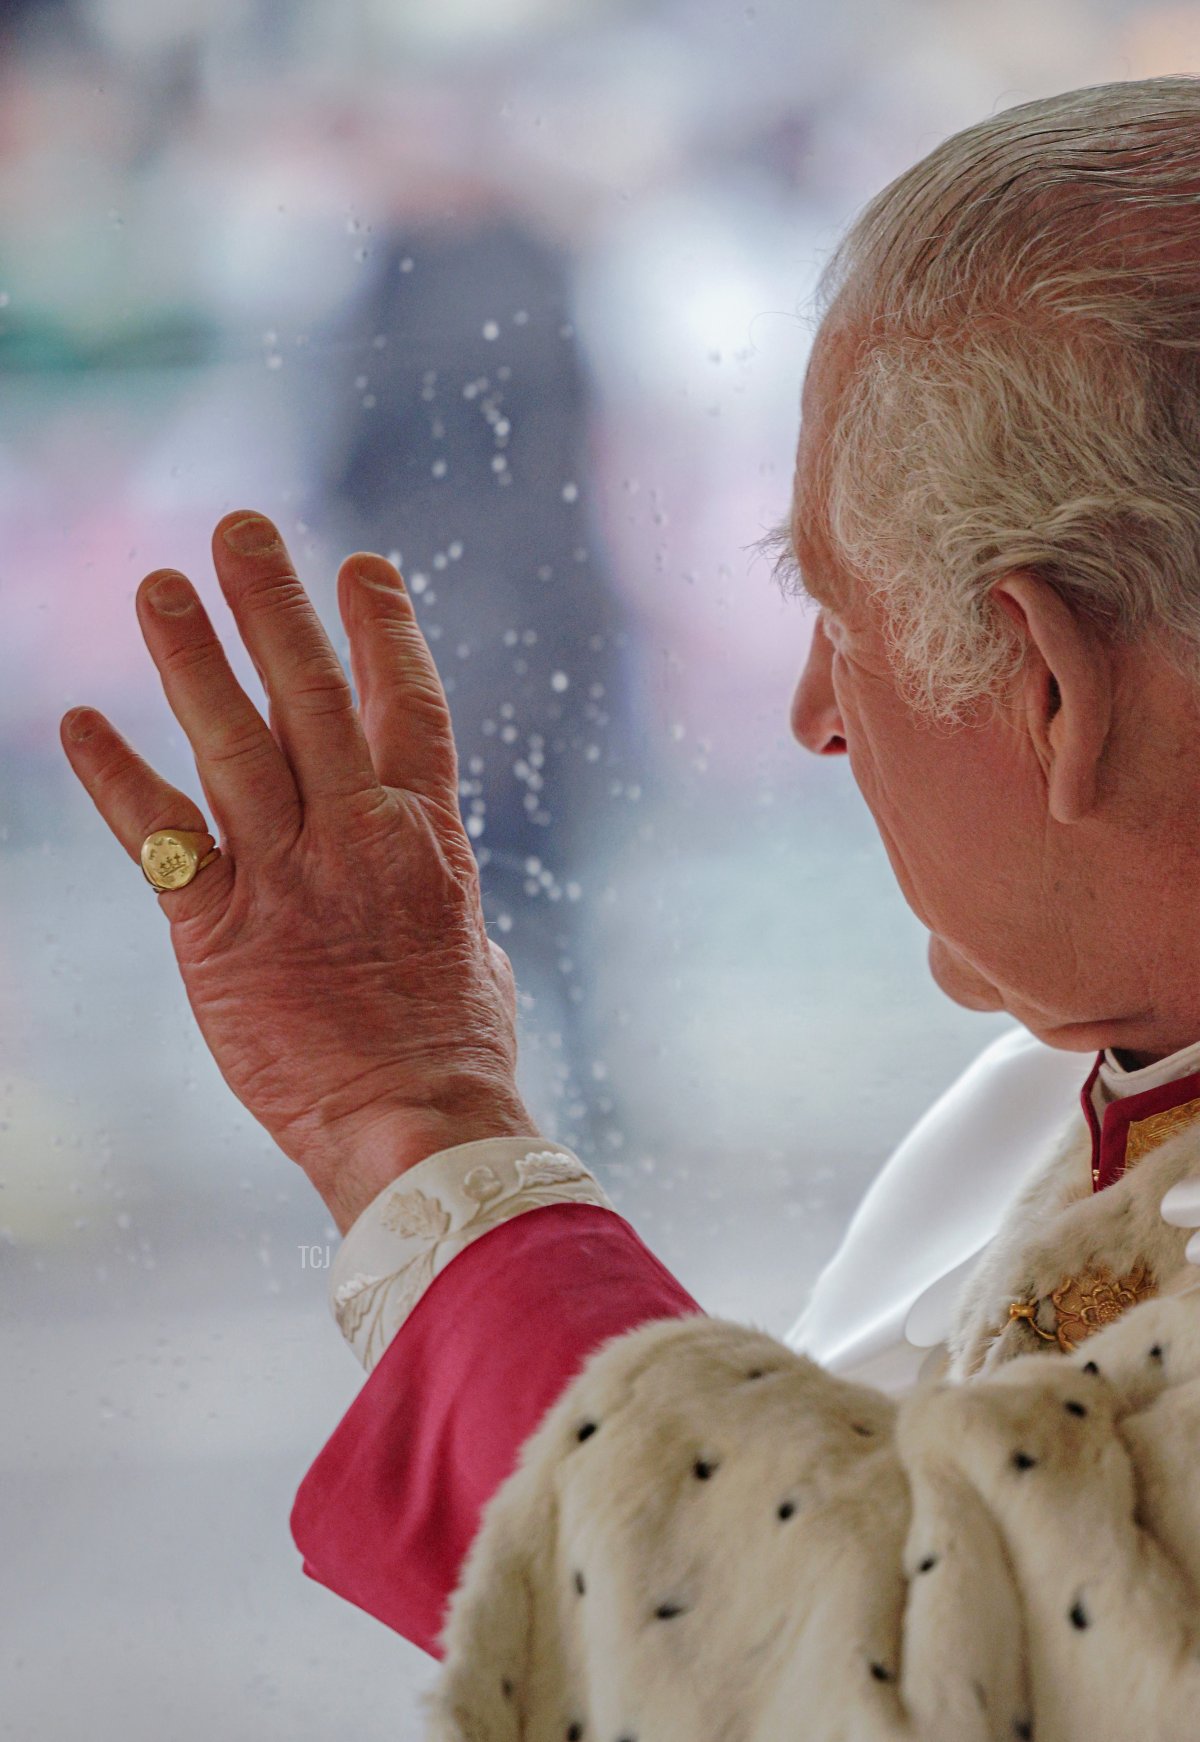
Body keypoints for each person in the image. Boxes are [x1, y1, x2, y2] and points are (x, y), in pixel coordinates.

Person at [60, 73, 1200, 1741]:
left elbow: (882, 1673)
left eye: (838, 615)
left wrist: (409, 1113)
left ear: (1045, 683)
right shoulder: (1088, 1063)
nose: (815, 713)